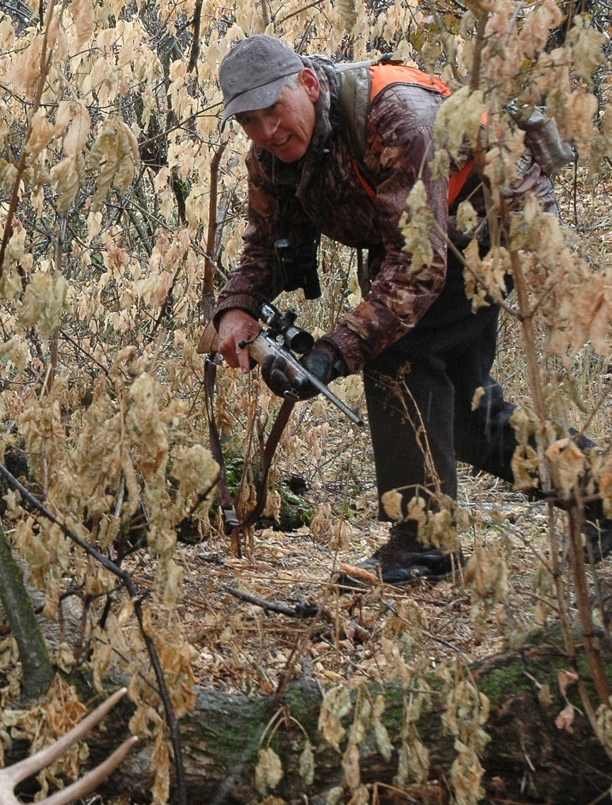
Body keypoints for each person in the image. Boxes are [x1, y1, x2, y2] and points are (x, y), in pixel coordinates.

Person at [207, 34, 585, 586]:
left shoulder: (398, 119)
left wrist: (332, 354)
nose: (266, 132)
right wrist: (235, 309)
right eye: (249, 122)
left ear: (308, 86)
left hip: (488, 227)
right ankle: (599, 490)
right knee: (465, 414)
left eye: (273, 112)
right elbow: (264, 245)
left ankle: (421, 546)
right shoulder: (271, 156)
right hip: (416, 243)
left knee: (399, 356)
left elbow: (417, 269)